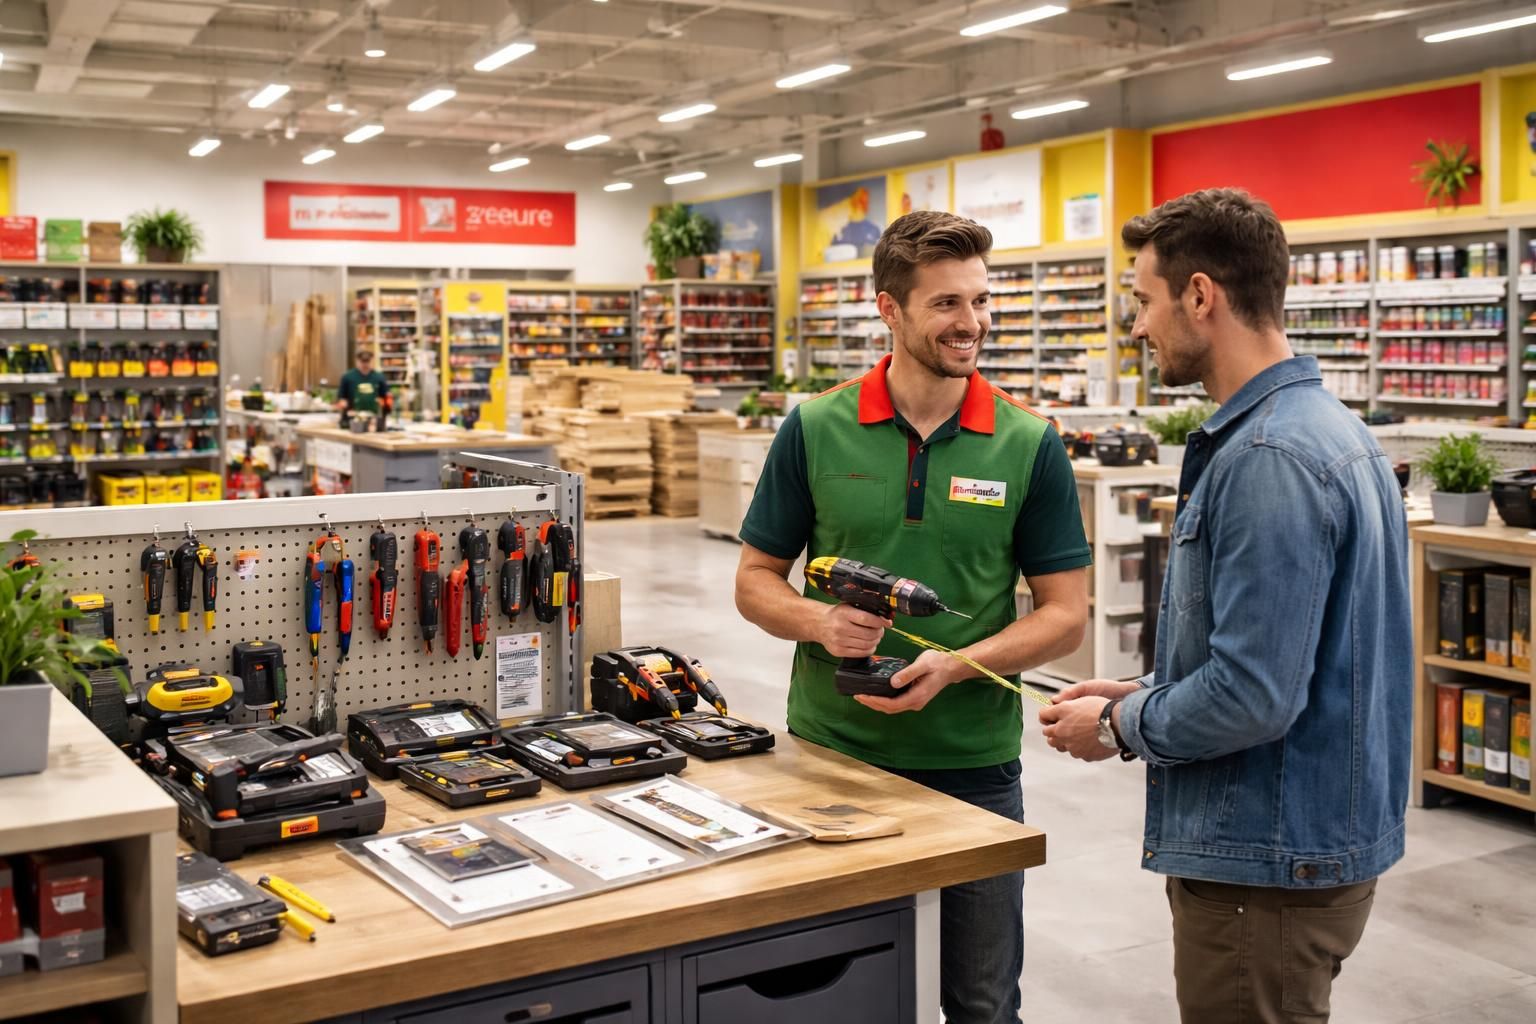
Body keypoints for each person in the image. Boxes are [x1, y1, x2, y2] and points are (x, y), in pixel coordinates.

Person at [1038, 188, 1411, 1024]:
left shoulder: (1268, 457)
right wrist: (1144, 690)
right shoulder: (1332, 431)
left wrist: (1117, 727)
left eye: (1144, 301)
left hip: (1264, 866)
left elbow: (1253, 694)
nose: (1138, 326)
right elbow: (1294, 651)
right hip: (1306, 845)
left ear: (1200, 295)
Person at [734, 209, 1091, 1024]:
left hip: (974, 768)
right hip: (832, 759)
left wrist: (959, 665)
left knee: (982, 1002)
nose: (972, 323)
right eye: (946, 304)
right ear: (889, 309)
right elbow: (754, 580)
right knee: (841, 999)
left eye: (980, 300)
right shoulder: (815, 427)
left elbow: (1066, 615)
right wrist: (818, 623)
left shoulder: (1029, 441)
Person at [336, 347, 390, 426]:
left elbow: (386, 398)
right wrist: (342, 404)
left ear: (372, 360)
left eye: (367, 361)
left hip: (373, 420)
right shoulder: (347, 377)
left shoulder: (379, 377)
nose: (365, 364)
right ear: (357, 361)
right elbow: (341, 398)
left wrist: (384, 405)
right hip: (352, 419)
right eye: (362, 361)